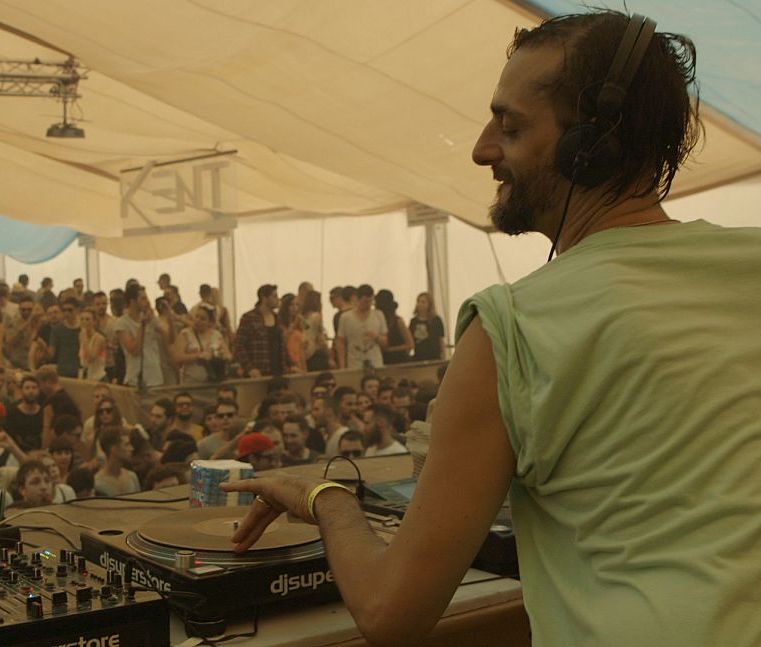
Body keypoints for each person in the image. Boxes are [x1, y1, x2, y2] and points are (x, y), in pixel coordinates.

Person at [223, 12, 761, 646]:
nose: (482, 149)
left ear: (590, 147)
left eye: (511, 126)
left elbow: (391, 614)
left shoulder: (513, 325)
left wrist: (327, 500)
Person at [234, 284, 289, 377]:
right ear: (264, 298)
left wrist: (290, 365)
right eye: (274, 296)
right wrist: (249, 368)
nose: (278, 299)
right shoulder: (249, 318)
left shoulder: (278, 318)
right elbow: (238, 345)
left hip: (279, 371)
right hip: (258, 372)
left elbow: (282, 345)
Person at [334, 284, 387, 370]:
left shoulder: (378, 315)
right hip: (354, 363)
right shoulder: (346, 317)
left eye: (371, 301)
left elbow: (385, 341)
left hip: (375, 362)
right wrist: (342, 366)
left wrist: (376, 337)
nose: (368, 304)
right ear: (357, 299)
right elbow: (341, 343)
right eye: (365, 301)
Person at [375, 289, 414, 365]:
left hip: (399, 360)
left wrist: (390, 350)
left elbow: (410, 344)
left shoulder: (398, 321)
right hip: (384, 360)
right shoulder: (378, 321)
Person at [409, 292, 447, 361]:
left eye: (423, 302)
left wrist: (444, 357)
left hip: (434, 357)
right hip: (418, 357)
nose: (420, 304)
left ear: (429, 305)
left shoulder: (436, 320)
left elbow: (441, 339)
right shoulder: (413, 321)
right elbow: (410, 339)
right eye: (418, 301)